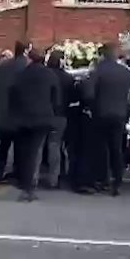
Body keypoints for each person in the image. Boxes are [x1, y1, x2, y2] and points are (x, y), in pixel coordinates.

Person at [81, 42, 130, 196]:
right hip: (119, 115)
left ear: (103, 55)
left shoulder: (97, 71)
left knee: (100, 148)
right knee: (116, 148)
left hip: (101, 114)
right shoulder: (125, 73)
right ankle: (117, 181)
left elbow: (88, 94)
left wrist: (90, 107)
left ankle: (102, 179)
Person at [8, 48, 59, 202]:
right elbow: (56, 98)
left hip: (23, 119)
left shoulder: (21, 75)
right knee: (34, 152)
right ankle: (29, 189)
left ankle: (25, 185)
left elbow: (13, 95)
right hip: (42, 119)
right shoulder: (50, 74)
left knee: (24, 153)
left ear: (29, 59)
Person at [0, 40, 31, 183]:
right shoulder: (27, 67)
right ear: (26, 51)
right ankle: (18, 173)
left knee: (3, 146)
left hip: (3, 111)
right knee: (21, 146)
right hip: (20, 113)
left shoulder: (4, 66)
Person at [45, 50, 75, 189]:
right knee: (55, 146)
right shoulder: (67, 78)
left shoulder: (44, 74)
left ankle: (32, 177)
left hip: (43, 113)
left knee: (38, 147)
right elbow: (73, 97)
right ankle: (54, 178)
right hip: (60, 115)